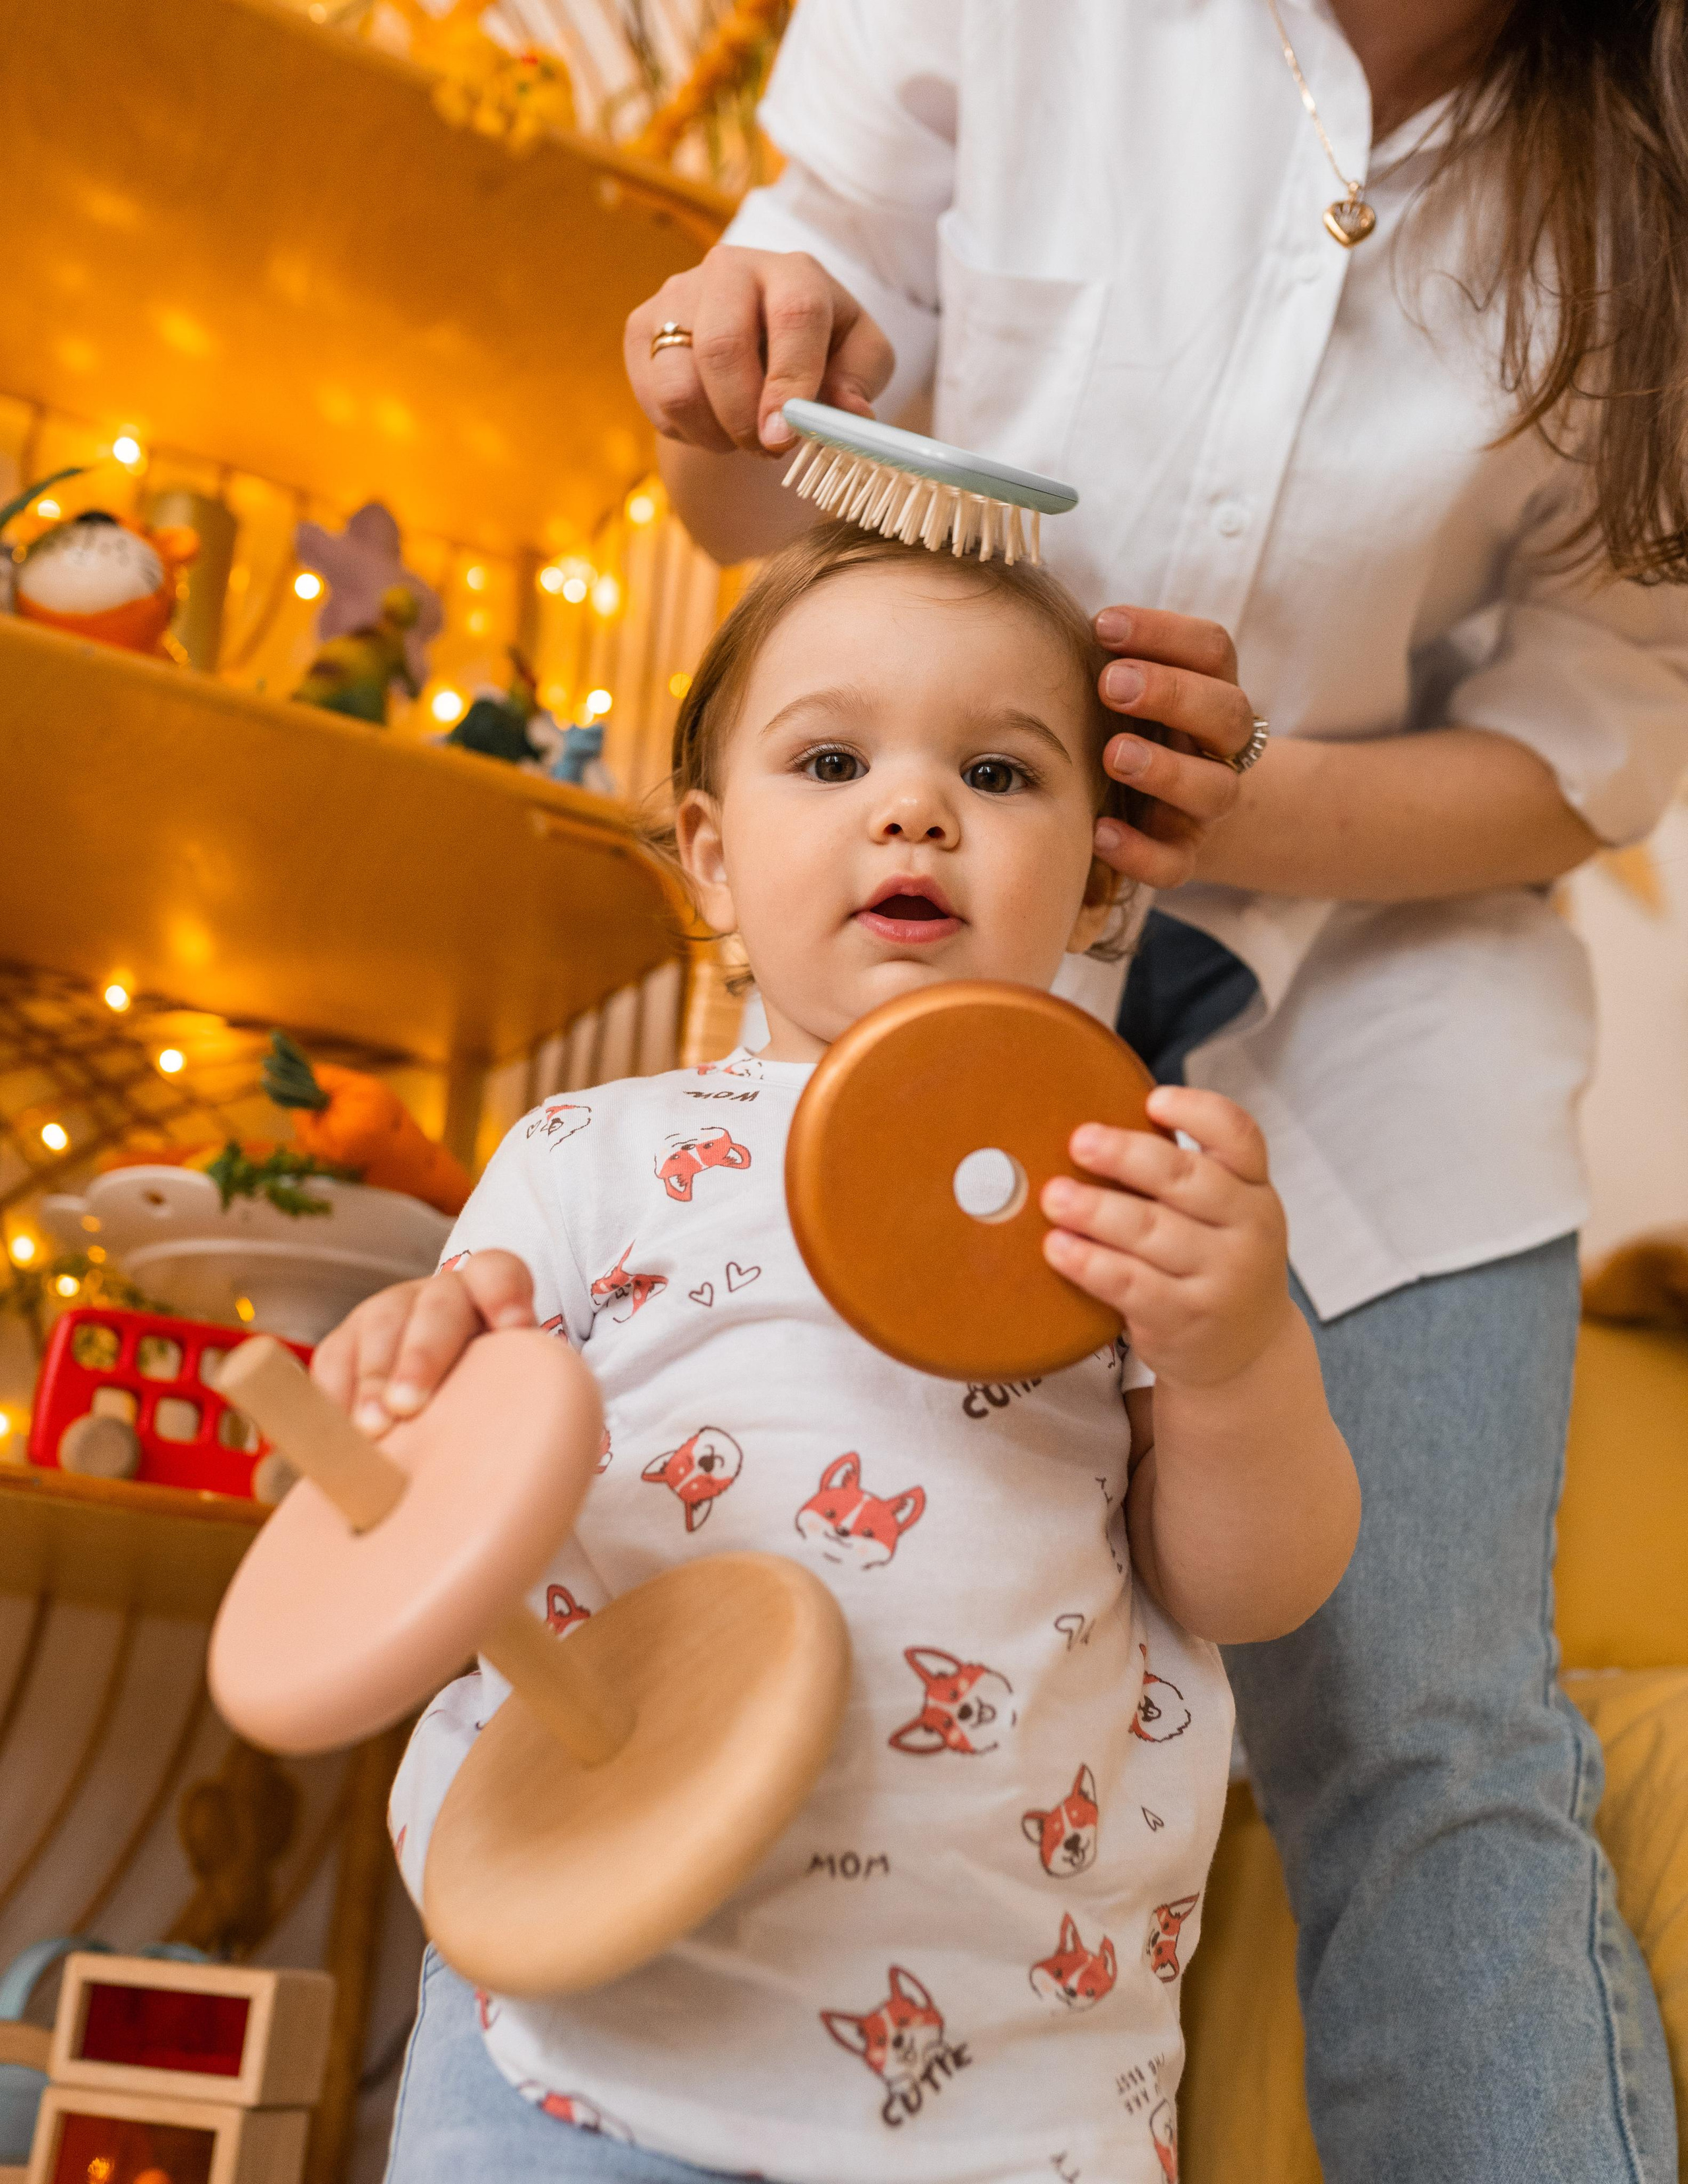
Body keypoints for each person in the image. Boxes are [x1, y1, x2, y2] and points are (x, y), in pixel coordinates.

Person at [618, 5, 1688, 2179]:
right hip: (947, 979)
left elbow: (1602, 733)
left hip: (1387, 1015)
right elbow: (744, 481)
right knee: (804, 1652)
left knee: (1432, 1748)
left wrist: (1257, 806)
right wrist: (712, 379)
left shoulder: (1653, 150)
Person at [340, 524, 1360, 2183]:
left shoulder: (1128, 1184)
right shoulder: (586, 1157)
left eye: (995, 773)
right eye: (830, 761)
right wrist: (419, 1385)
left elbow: (1250, 1587)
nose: (913, 810)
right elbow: (429, 1530)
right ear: (710, 856)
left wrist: (1234, 1358)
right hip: (580, 1989)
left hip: (1005, 2065)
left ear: (1097, 881)